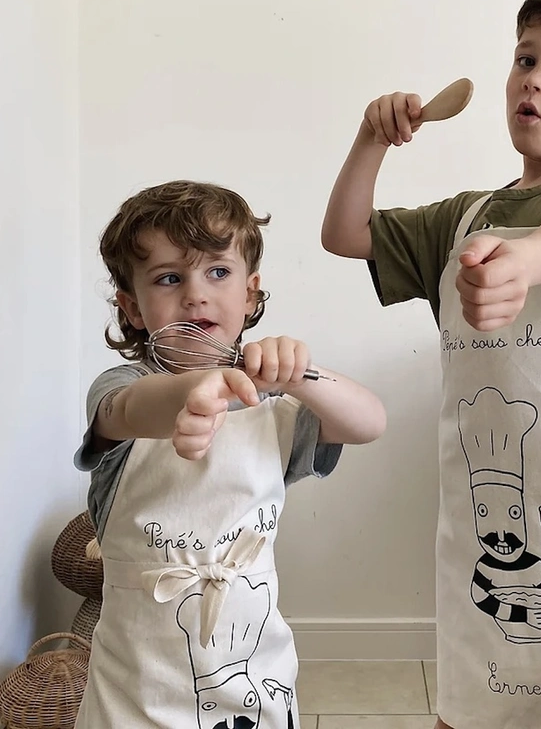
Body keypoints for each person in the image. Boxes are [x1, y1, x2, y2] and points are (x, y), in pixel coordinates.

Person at [322, 0, 541, 729]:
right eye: (524, 58)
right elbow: (345, 234)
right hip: (489, 520)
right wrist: (371, 138)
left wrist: (528, 264)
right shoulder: (467, 216)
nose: (533, 79)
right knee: (482, 701)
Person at [74, 179, 386, 729]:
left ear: (250, 293)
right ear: (133, 308)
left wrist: (300, 374)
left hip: (253, 672)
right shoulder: (122, 387)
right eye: (169, 278)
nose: (195, 294)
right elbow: (126, 411)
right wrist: (195, 393)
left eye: (217, 272)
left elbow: (369, 422)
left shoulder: (274, 407)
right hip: (139, 683)